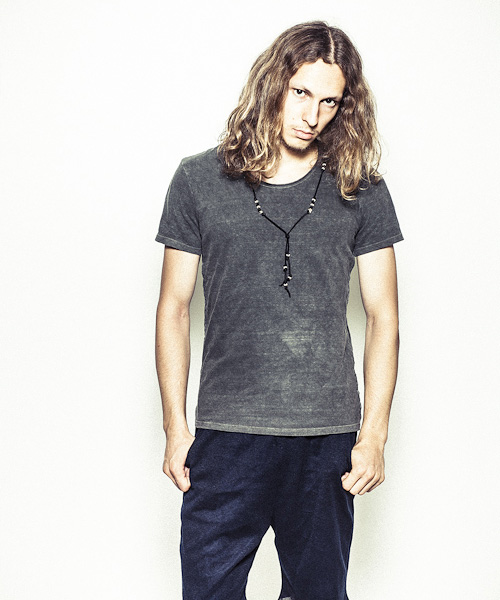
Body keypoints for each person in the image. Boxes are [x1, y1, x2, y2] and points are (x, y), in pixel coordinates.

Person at [155, 20, 403, 600]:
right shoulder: (198, 180)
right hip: (226, 434)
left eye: (329, 101)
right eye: (300, 92)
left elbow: (384, 317)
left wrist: (373, 436)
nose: (311, 115)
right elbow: (173, 308)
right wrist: (175, 429)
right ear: (273, 83)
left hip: (326, 438)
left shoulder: (361, 188)